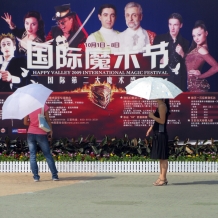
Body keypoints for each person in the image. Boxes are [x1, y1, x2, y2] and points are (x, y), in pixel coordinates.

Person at [153, 13, 189, 91]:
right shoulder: (159, 39)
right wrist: (160, 60)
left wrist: (182, 53)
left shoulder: (185, 43)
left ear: (181, 25)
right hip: (163, 79)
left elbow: (189, 64)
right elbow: (149, 59)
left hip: (179, 81)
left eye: (175, 25)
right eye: (170, 24)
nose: (172, 28)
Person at [24, 104, 59, 182]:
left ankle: (36, 177)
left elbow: (25, 122)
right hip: (41, 133)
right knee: (47, 155)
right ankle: (54, 176)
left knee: (32, 155)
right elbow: (48, 120)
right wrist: (50, 131)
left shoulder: (28, 107)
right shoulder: (43, 106)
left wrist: (33, 125)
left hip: (30, 133)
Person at [185, 20, 218, 92]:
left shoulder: (201, 49)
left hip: (197, 87)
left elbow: (216, 67)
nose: (196, 38)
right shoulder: (197, 49)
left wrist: (200, 76)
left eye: (199, 35)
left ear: (206, 33)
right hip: (192, 87)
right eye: (194, 36)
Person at [146, 99, 170, 186]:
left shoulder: (162, 106)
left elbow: (162, 121)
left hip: (161, 134)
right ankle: (161, 177)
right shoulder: (159, 106)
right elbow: (157, 121)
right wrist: (151, 128)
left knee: (163, 158)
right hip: (157, 134)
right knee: (160, 157)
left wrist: (152, 116)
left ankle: (163, 179)